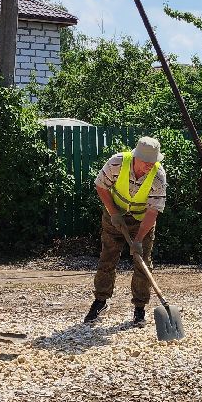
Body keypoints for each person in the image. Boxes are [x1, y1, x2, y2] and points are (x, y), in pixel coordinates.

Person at [85, 136, 167, 326]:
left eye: (152, 162)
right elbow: (101, 185)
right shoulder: (117, 163)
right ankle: (100, 301)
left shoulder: (158, 176)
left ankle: (139, 309)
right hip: (114, 216)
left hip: (142, 221)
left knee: (142, 263)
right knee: (108, 258)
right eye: (146, 162)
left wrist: (138, 240)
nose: (149, 166)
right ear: (135, 156)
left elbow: (153, 211)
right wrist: (114, 213)